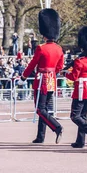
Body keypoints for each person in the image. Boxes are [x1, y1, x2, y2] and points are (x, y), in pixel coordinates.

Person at [21, 9, 64, 144]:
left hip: (41, 80)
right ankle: (40, 136)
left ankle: (57, 127)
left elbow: (33, 63)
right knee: (44, 109)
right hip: (52, 80)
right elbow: (59, 67)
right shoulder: (59, 48)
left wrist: (23, 76)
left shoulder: (41, 48)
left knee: (40, 109)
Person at [65, 27, 87, 148]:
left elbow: (74, 76)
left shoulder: (79, 61)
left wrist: (64, 73)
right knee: (83, 116)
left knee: (75, 116)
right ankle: (80, 141)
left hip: (81, 90)